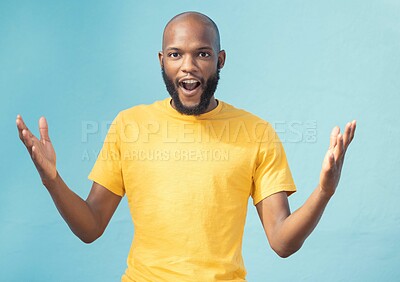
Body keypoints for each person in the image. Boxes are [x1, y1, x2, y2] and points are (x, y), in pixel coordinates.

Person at [16, 11, 356, 282]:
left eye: (202, 54)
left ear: (220, 60)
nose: (188, 66)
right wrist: (52, 181)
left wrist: (324, 192)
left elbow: (282, 242)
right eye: (176, 54)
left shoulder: (256, 133)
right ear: (162, 60)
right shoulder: (129, 125)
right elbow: (90, 227)